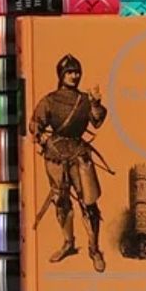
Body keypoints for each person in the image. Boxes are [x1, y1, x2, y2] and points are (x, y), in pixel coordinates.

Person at [30, 54, 109, 273]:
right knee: (61, 201)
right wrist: (41, 136)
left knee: (89, 203)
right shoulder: (50, 100)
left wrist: (96, 103)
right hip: (55, 155)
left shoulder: (85, 99)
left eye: (77, 72)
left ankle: (94, 249)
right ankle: (68, 243)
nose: (74, 76)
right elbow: (35, 123)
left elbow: (97, 121)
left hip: (79, 154)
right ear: (61, 75)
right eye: (70, 72)